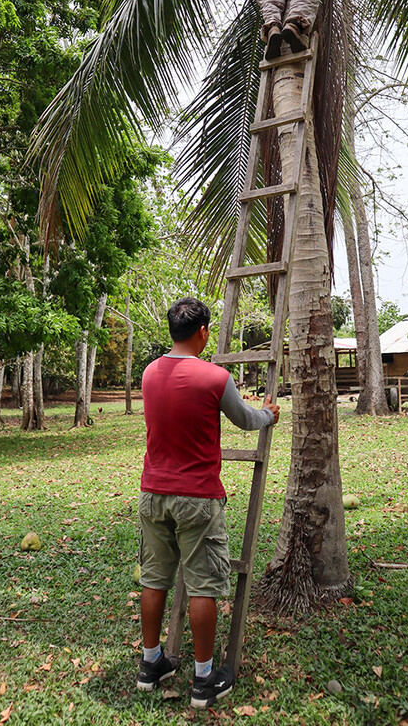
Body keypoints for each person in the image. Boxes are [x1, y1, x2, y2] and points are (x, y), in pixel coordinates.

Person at [135, 296, 280, 709]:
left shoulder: (148, 374)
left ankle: (151, 664)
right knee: (202, 586)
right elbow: (244, 418)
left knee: (154, 578)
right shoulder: (215, 378)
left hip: (152, 494)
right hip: (197, 497)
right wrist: (268, 413)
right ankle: (204, 679)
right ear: (202, 333)